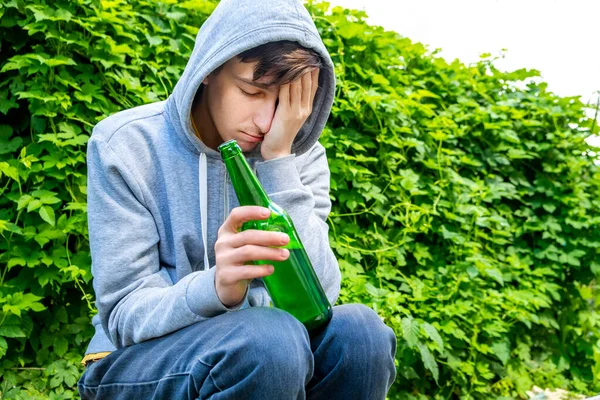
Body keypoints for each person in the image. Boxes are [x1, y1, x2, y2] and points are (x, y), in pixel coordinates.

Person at [77, 0, 397, 398]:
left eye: (285, 103)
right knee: (268, 340)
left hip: (267, 353)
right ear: (209, 68)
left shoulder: (298, 154)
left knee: (361, 334)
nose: (267, 122)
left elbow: (323, 294)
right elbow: (124, 315)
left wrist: (278, 161)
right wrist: (216, 286)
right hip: (134, 360)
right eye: (253, 91)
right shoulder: (126, 144)